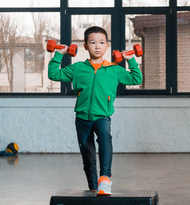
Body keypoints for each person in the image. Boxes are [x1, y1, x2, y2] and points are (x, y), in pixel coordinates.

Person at [48, 26, 142, 195]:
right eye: (93, 42)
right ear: (85, 46)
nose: (97, 46)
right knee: (87, 151)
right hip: (82, 118)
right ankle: (93, 187)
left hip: (102, 116)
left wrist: (130, 60)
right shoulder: (77, 68)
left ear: (107, 46)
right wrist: (59, 54)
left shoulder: (113, 69)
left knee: (105, 139)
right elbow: (54, 74)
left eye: (101, 42)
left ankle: (104, 179)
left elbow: (136, 78)